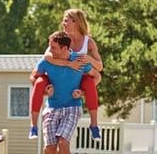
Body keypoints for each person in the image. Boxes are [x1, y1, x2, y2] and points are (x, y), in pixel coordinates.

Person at [34, 31, 99, 154]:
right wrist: (44, 90)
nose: (50, 50)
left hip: (72, 107)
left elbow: (97, 76)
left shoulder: (79, 60)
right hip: (52, 107)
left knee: (63, 142)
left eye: (54, 47)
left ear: (65, 48)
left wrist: (83, 93)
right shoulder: (47, 61)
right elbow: (33, 77)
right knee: (49, 148)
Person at [29, 9, 103, 142]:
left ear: (76, 22)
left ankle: (94, 125)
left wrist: (87, 58)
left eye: (66, 20)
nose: (63, 23)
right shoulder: (62, 38)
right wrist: (68, 64)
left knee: (90, 83)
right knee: (39, 82)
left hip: (77, 77)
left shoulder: (88, 42)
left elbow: (99, 67)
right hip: (58, 75)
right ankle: (33, 126)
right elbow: (47, 56)